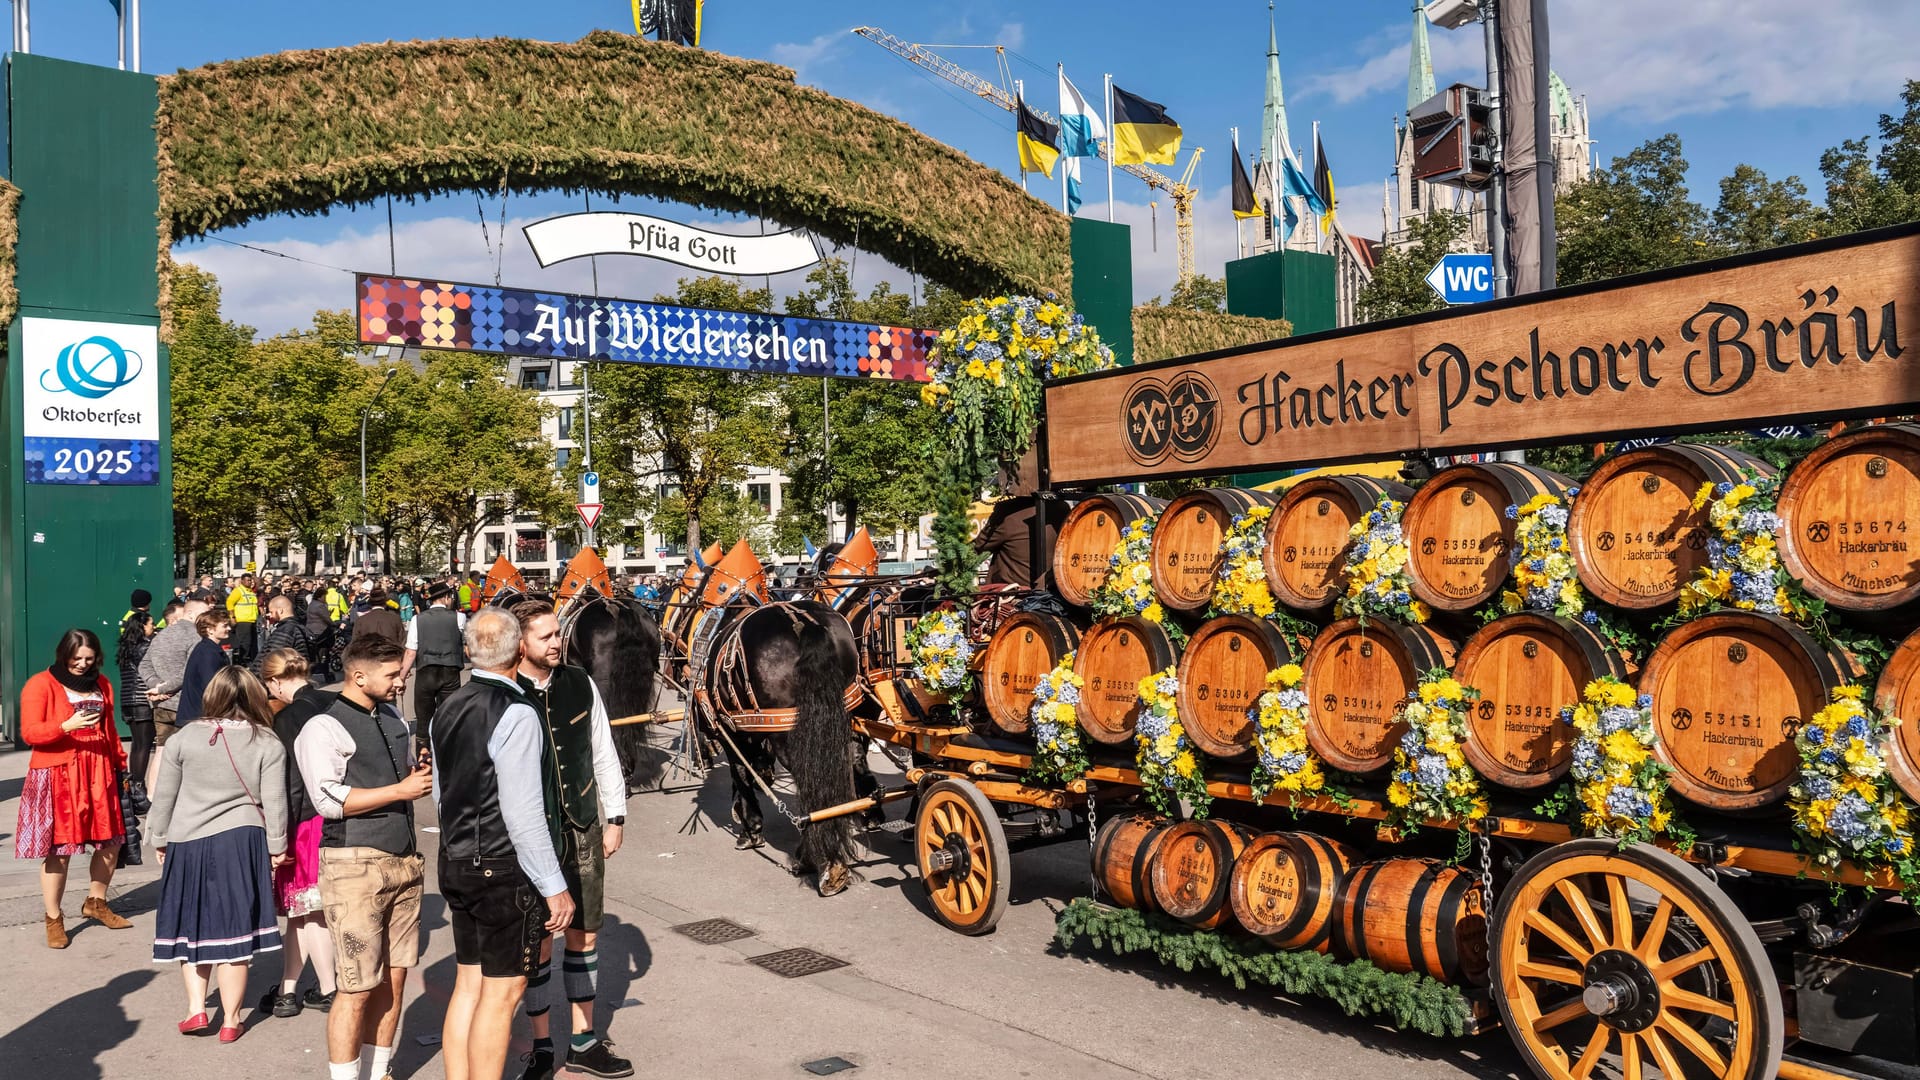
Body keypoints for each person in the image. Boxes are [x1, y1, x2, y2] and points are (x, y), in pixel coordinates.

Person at [433, 609, 574, 1080]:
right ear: (518, 650)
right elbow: (523, 812)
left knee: (469, 983)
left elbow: (441, 794)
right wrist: (554, 885)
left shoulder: (448, 706)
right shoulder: (516, 712)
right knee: (503, 992)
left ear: (469, 651)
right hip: (499, 865)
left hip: (455, 856)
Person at [295, 637, 431, 1080]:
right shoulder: (323, 727)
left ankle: (378, 1072)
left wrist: (415, 772)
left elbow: (397, 776)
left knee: (396, 978)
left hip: (404, 860)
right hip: (353, 864)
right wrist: (400, 790)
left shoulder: (392, 716)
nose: (400, 682)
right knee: (355, 986)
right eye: (391, 675)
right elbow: (328, 800)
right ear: (358, 676)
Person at [509, 600, 632, 1080]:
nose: (557, 642)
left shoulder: (579, 683)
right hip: (532, 835)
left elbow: (602, 749)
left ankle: (583, 1040)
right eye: (545, 636)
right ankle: (542, 1045)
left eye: (558, 633)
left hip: (581, 826)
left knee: (584, 933)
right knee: (539, 940)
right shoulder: (505, 692)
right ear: (520, 644)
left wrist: (615, 816)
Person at [148, 667, 289, 1042]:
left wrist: (159, 838)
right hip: (242, 839)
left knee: (191, 925)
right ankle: (230, 1019)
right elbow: (275, 801)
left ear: (211, 696)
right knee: (235, 931)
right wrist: (277, 846)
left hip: (188, 839)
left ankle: (196, 1009)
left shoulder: (184, 738)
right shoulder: (267, 742)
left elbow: (165, 794)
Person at [18, 629, 134, 949]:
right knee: (61, 850)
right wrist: (65, 726)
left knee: (110, 843)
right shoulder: (40, 684)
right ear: (63, 655)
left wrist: (120, 766)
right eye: (76, 659)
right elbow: (30, 732)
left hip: (99, 770)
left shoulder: (103, 683)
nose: (83, 664)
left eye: (89, 658)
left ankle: (96, 902)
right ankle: (53, 917)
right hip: (59, 772)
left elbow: (110, 730)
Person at [259, 648, 338, 1018]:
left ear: (275, 682)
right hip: (337, 811)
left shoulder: (287, 718)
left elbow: (288, 783)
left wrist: (279, 834)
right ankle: (288, 989)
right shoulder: (334, 702)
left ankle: (327, 987)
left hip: (304, 821)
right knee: (303, 911)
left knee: (308, 910)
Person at [142, 592, 212, 790]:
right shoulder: (197, 637)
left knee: (161, 751)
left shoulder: (162, 635)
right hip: (186, 704)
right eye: (204, 614)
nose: (208, 619)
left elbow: (144, 665)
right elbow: (189, 671)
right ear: (191, 615)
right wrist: (163, 688)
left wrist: (157, 686)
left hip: (162, 704)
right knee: (190, 755)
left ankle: (153, 796)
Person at [404, 582, 466, 728]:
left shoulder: (417, 619)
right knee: (449, 716)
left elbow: (411, 651)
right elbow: (465, 643)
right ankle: (446, 741)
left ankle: (423, 740)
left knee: (424, 717)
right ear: (446, 597)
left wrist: (402, 675)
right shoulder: (459, 617)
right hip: (450, 670)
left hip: (426, 670)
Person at [117, 608, 157, 814]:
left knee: (137, 745)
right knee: (144, 746)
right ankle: (139, 789)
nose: (154, 627)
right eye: (151, 624)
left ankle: (133, 786)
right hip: (142, 699)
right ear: (142, 627)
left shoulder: (126, 647)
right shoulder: (145, 647)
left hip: (128, 699)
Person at [176, 608, 235, 725]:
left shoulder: (207, 649)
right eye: (224, 626)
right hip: (201, 718)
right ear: (210, 630)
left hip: (201, 716)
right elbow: (212, 686)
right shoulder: (208, 653)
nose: (229, 628)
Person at [255, 595, 315, 677]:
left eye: (271, 612)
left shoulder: (285, 631)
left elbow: (273, 659)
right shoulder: (301, 628)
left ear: (280, 611)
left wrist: (257, 677)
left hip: (282, 678)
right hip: (297, 676)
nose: (270, 615)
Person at [227, 573, 261, 668]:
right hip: (243, 621)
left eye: (250, 580)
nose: (250, 582)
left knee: (252, 643)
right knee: (245, 643)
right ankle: (243, 662)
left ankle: (251, 661)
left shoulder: (250, 592)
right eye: (247, 580)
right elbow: (229, 603)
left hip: (252, 621)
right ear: (242, 581)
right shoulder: (238, 591)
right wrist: (232, 617)